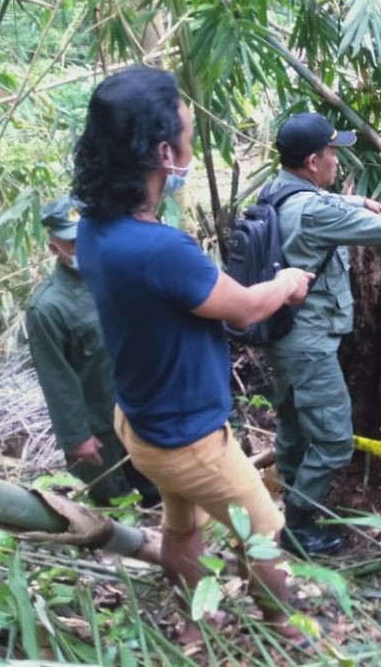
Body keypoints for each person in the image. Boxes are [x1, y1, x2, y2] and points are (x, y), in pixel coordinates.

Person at [72, 66, 314, 645]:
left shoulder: (94, 228)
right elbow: (244, 309)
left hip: (140, 423)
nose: (190, 139)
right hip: (190, 438)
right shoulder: (160, 248)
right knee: (263, 531)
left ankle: (193, 626)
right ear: (163, 151)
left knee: (181, 527)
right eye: (186, 128)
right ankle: (286, 629)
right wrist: (287, 281)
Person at [265, 112, 381, 556]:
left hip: (282, 337)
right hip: (309, 344)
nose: (337, 160)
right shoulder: (313, 209)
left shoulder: (277, 190)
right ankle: (299, 523)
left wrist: (356, 202)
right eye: (332, 153)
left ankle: (285, 506)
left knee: (293, 429)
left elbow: (318, 210)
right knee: (332, 440)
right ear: (313, 161)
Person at [26, 196, 157, 506]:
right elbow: (57, 379)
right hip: (100, 430)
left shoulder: (118, 276)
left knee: (161, 496)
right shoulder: (47, 307)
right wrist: (76, 438)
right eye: (73, 242)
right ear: (54, 249)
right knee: (110, 508)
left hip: (143, 414)